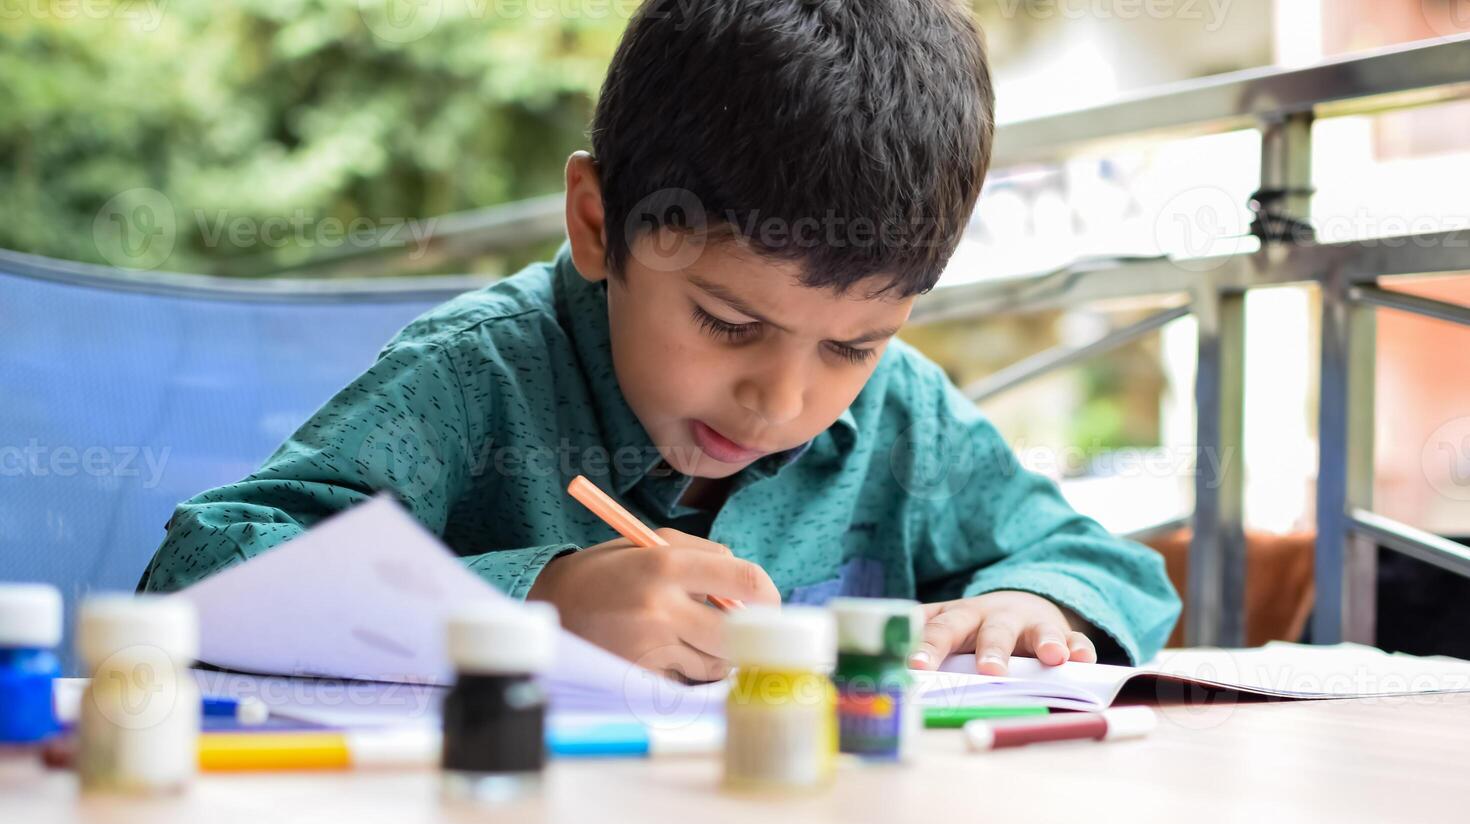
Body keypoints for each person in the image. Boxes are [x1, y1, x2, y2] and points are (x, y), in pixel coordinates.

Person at [140, 0, 1180, 680]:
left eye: (851, 344)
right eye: (730, 322)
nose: (781, 401)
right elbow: (198, 572)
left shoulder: (899, 411)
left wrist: (1027, 599)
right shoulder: (476, 376)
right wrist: (539, 600)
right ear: (599, 224)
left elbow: (1105, 564)